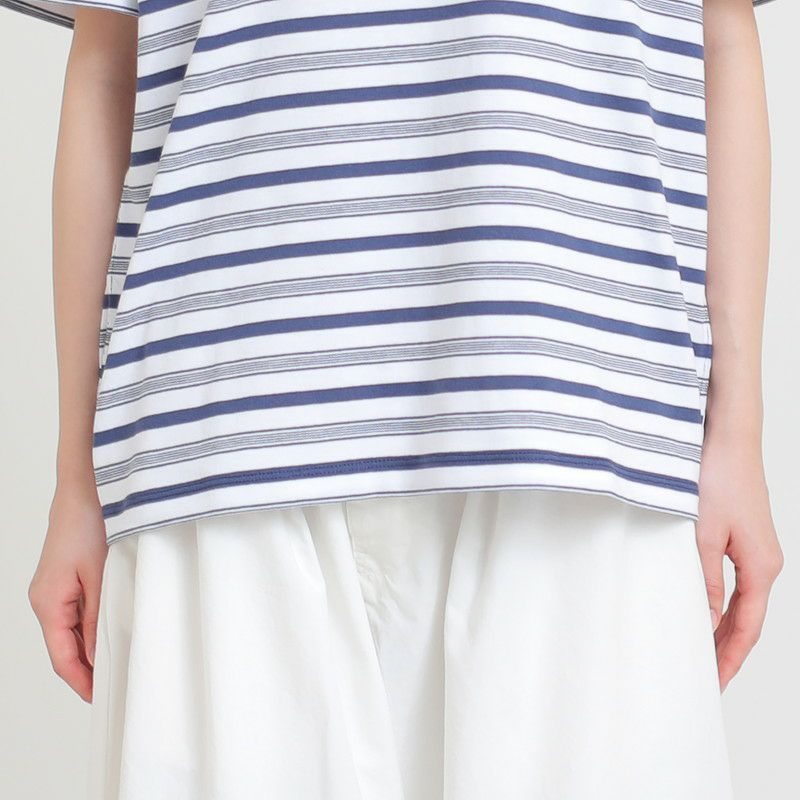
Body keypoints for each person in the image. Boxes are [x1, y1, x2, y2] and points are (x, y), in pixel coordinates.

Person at [2, 0, 785, 797]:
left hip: (578, 408)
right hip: (224, 416)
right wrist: (78, 480)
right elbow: (108, 67)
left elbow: (721, 33)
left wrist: (737, 435)